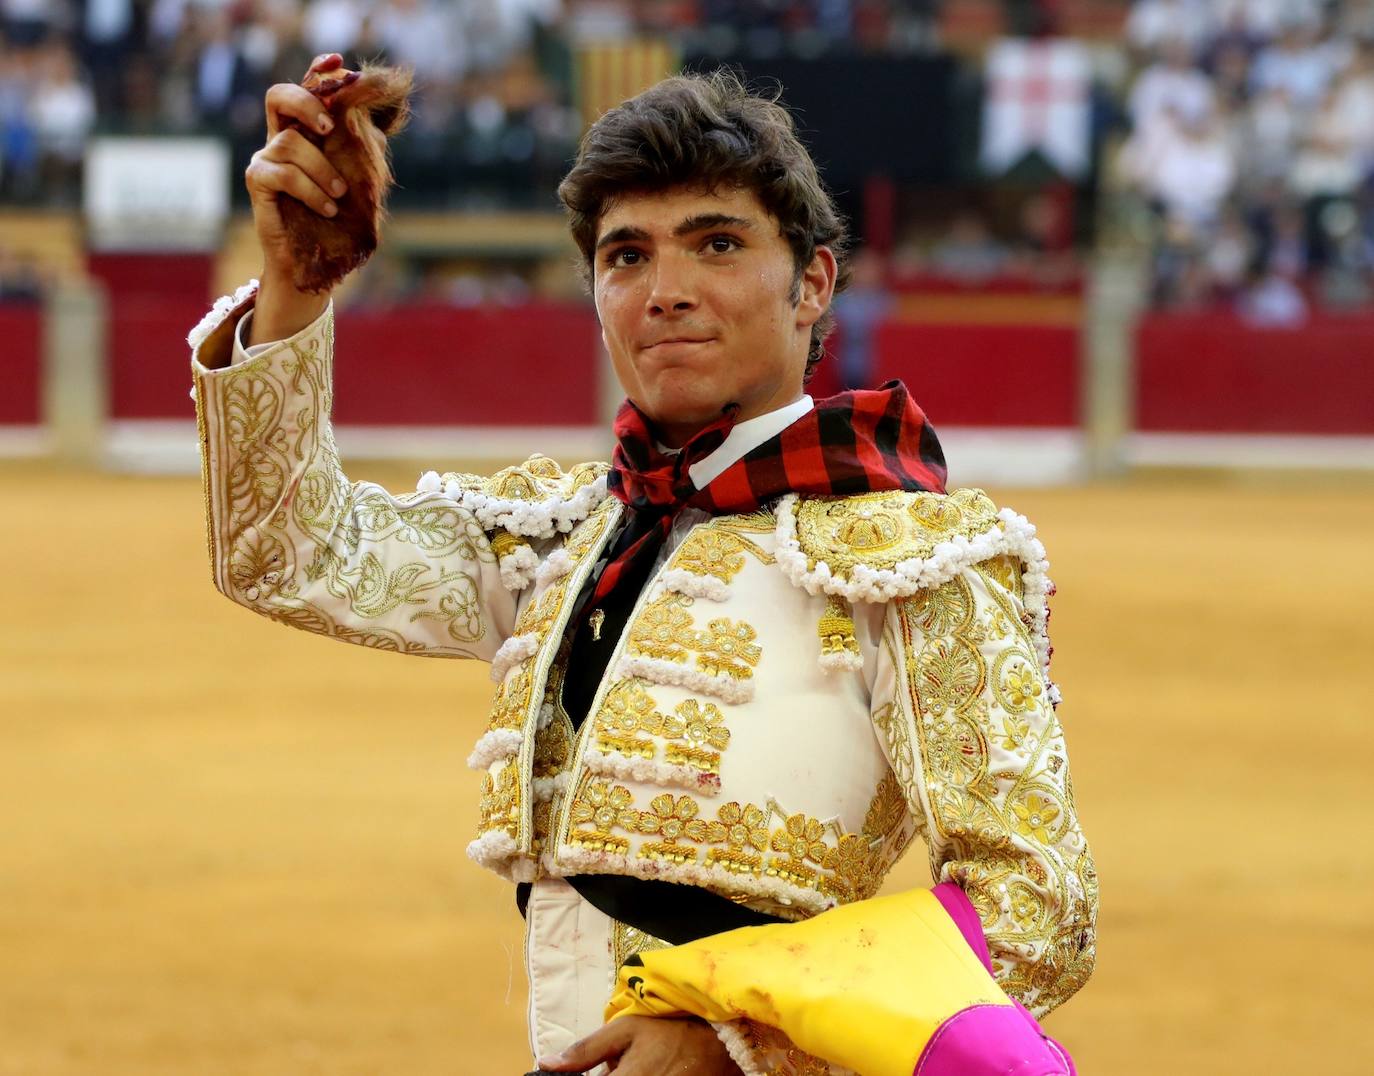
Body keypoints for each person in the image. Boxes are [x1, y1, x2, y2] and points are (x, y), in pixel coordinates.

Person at [187, 65, 1097, 1075]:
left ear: (812, 283)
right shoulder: (565, 536)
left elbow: (1034, 903)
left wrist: (736, 1037)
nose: (667, 291)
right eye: (628, 256)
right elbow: (287, 553)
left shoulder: (917, 561)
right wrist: (296, 293)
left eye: (717, 242)